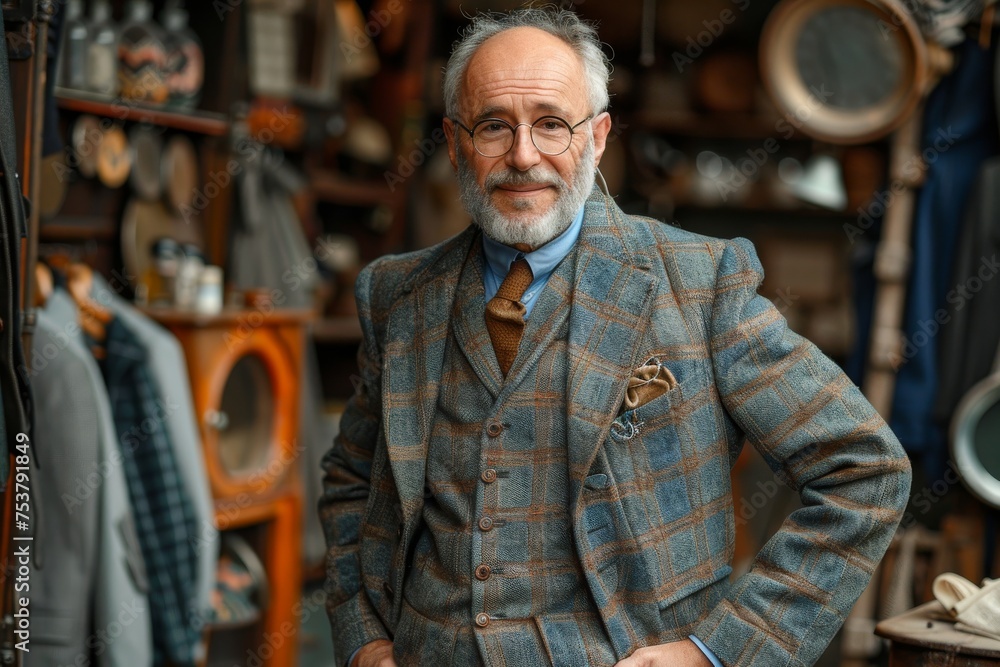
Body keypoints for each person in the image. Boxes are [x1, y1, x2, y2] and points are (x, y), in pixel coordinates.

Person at [320, 8, 911, 667]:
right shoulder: (395, 294)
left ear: (598, 138)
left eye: (552, 123)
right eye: (493, 126)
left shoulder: (700, 284)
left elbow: (864, 470)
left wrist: (716, 650)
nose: (523, 155)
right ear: (456, 143)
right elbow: (351, 479)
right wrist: (364, 638)